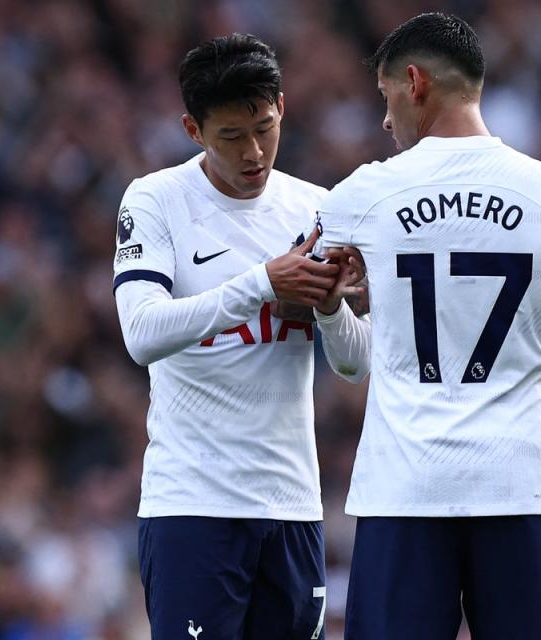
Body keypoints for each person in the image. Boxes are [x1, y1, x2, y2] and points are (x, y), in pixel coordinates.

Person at [313, 13, 541, 639]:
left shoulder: (359, 197)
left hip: (401, 495)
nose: (385, 121)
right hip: (518, 490)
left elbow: (350, 360)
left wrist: (331, 308)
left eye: (386, 98)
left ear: (413, 83)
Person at [112, 34, 368, 640]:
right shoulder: (155, 200)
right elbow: (141, 332)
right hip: (194, 506)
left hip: (293, 507)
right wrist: (260, 282)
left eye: (265, 127)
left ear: (282, 106)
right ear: (193, 129)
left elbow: (355, 364)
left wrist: (331, 308)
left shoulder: (317, 208)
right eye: (231, 136)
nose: (254, 152)